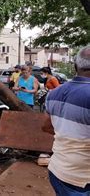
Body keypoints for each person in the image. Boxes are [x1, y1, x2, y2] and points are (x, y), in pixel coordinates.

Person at [42, 46, 90, 195]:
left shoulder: (54, 93)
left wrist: (69, 133)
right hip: (82, 179)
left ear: (75, 66)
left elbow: (46, 126)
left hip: (58, 171)